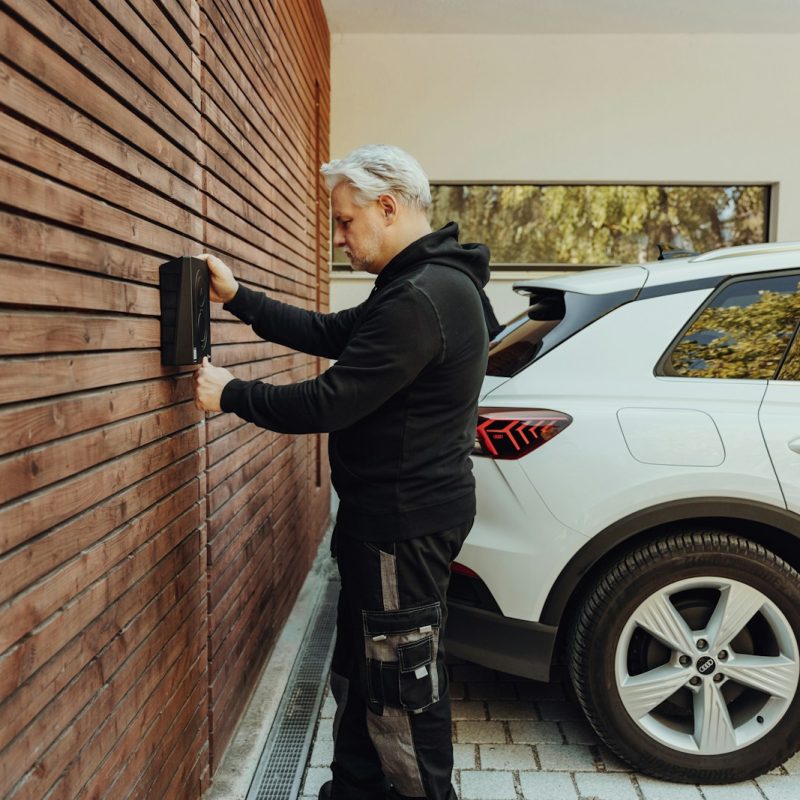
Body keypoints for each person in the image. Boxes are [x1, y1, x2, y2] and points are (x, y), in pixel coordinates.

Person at [193, 144, 501, 800]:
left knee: (400, 684)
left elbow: (331, 400)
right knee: (368, 673)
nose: (337, 238)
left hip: (400, 523)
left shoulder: (423, 295)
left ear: (387, 207)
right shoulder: (424, 283)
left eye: (345, 222)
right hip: (395, 518)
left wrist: (231, 393)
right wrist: (238, 297)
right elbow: (334, 333)